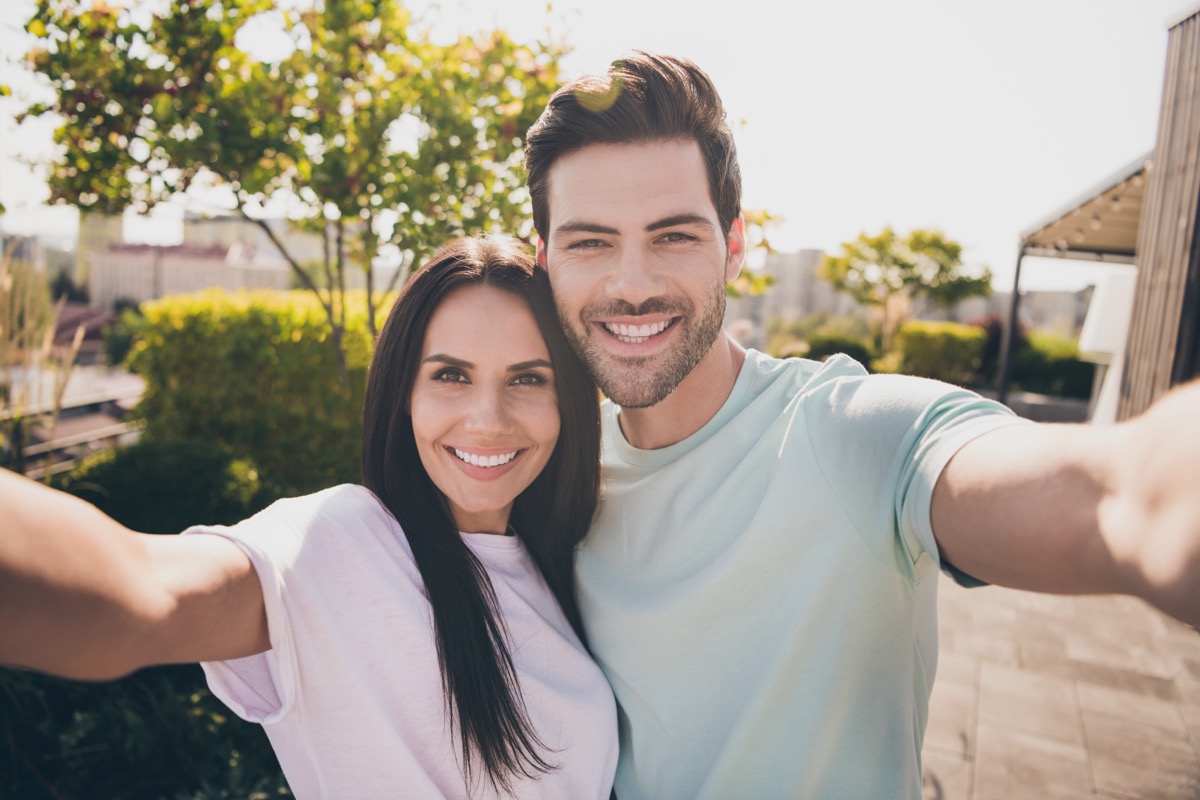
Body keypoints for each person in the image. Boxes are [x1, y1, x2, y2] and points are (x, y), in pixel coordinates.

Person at [523, 50, 1200, 799]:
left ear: (734, 249)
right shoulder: (552, 475)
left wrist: (1158, 490)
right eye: (590, 242)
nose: (631, 284)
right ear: (546, 261)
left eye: (674, 235)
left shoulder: (849, 435)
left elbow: (1117, 492)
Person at [0, 235, 618, 799]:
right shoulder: (341, 542)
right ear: (404, 394)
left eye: (527, 379)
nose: (488, 419)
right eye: (451, 375)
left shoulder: (568, 557)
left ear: (567, 400)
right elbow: (136, 594)